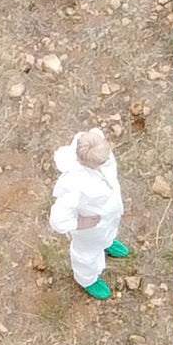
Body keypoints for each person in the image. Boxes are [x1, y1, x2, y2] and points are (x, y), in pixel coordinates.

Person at [48, 127, 129, 301]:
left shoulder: (93, 142)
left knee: (109, 232)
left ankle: (108, 243)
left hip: (108, 219)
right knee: (87, 255)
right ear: (91, 163)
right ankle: (87, 279)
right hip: (91, 230)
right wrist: (79, 224)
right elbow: (58, 220)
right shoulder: (75, 185)